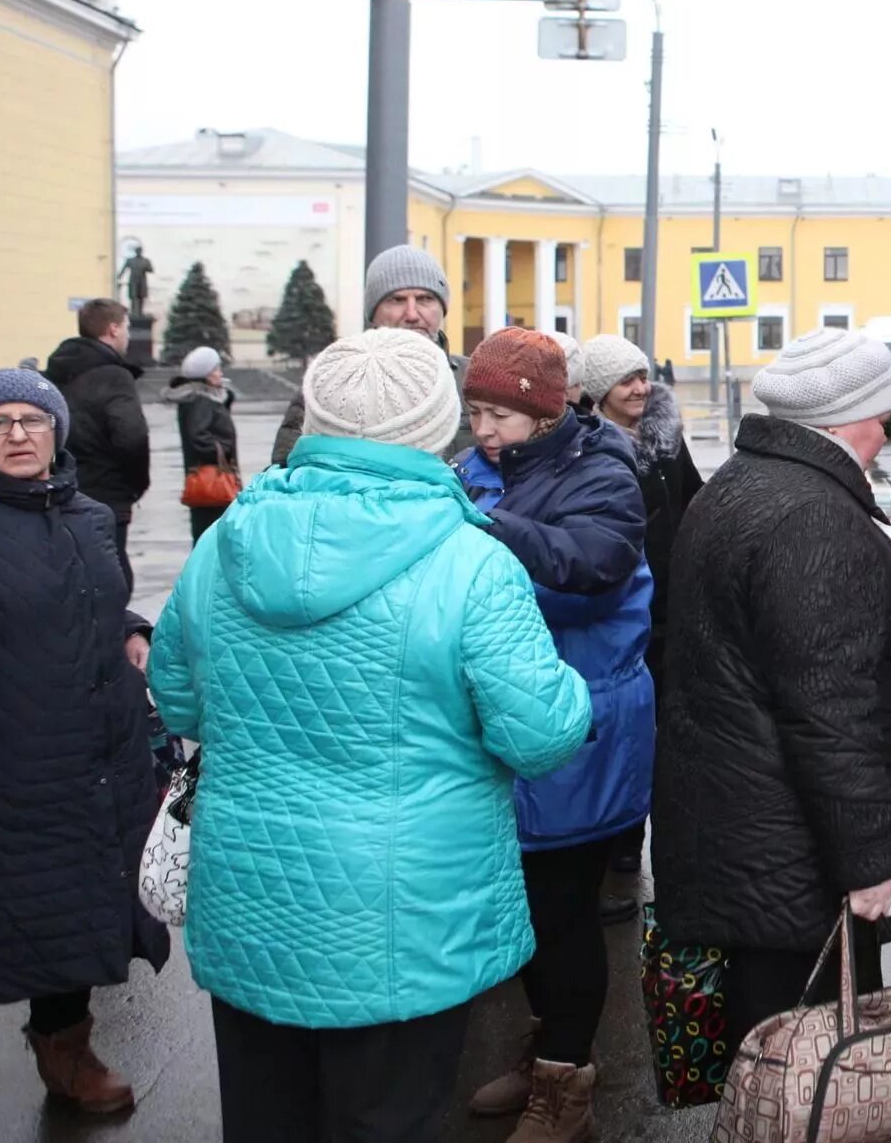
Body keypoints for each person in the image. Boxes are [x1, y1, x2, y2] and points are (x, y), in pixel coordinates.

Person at [149, 329, 591, 1143]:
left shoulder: (226, 544)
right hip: (406, 919)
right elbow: (539, 735)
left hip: (253, 901)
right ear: (436, 426)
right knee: (389, 1119)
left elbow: (176, 699)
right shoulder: (472, 562)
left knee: (265, 1118)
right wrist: (572, 686)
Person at [653, 328, 891, 1061]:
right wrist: (871, 858)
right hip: (792, 858)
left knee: (782, 1059)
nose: (886, 430)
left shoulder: (748, 480)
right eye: (881, 413)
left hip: (751, 836)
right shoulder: (809, 513)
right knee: (816, 1075)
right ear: (846, 420)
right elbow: (828, 710)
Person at [0, 370, 169, 1134]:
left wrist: (129, 626)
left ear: (58, 432)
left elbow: (94, 592)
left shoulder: (90, 515)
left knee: (69, 908)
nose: (20, 433)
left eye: (35, 419)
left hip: (83, 754)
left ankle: (67, 1051)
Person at [455, 328, 653, 1142]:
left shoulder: (603, 473)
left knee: (560, 912)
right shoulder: (481, 472)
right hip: (511, 723)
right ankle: (551, 1046)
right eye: (473, 410)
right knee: (522, 909)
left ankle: (567, 1088)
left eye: (497, 412)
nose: (482, 428)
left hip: (581, 726)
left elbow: (591, 568)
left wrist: (484, 529)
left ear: (541, 413)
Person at [579, 332, 704, 909]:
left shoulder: (666, 438)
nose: (640, 386)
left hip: (671, 607)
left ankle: (651, 840)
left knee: (668, 728)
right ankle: (619, 843)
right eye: (627, 378)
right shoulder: (582, 447)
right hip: (618, 607)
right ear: (601, 390)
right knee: (622, 731)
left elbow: (696, 502)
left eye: (643, 374)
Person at [272, 246, 467, 465]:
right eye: (396, 300)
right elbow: (287, 467)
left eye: (425, 299)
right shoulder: (331, 381)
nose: (412, 314)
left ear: (442, 308)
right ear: (373, 312)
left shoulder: (471, 379)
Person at [46, 296, 151, 592]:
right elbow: (132, 436)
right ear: (114, 329)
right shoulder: (114, 375)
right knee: (113, 582)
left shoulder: (58, 372)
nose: (129, 335)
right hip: (108, 496)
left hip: (62, 489)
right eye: (127, 327)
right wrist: (135, 486)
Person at [167, 344, 240, 542]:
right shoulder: (201, 401)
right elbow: (198, 437)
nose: (220, 373)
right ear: (205, 374)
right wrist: (223, 451)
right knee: (210, 537)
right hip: (210, 481)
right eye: (216, 369)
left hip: (210, 479)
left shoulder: (206, 398)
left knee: (211, 536)